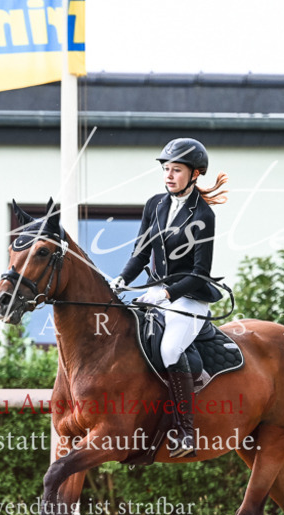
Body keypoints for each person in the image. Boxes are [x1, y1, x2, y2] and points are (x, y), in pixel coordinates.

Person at [110, 138, 228, 458]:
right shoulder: (155, 205)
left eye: (176, 170)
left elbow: (200, 272)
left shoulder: (203, 215)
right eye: (166, 169)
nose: (169, 175)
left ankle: (185, 432)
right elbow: (140, 253)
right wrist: (121, 279)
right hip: (155, 291)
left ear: (195, 174)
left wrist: (167, 292)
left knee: (169, 348)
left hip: (189, 297)